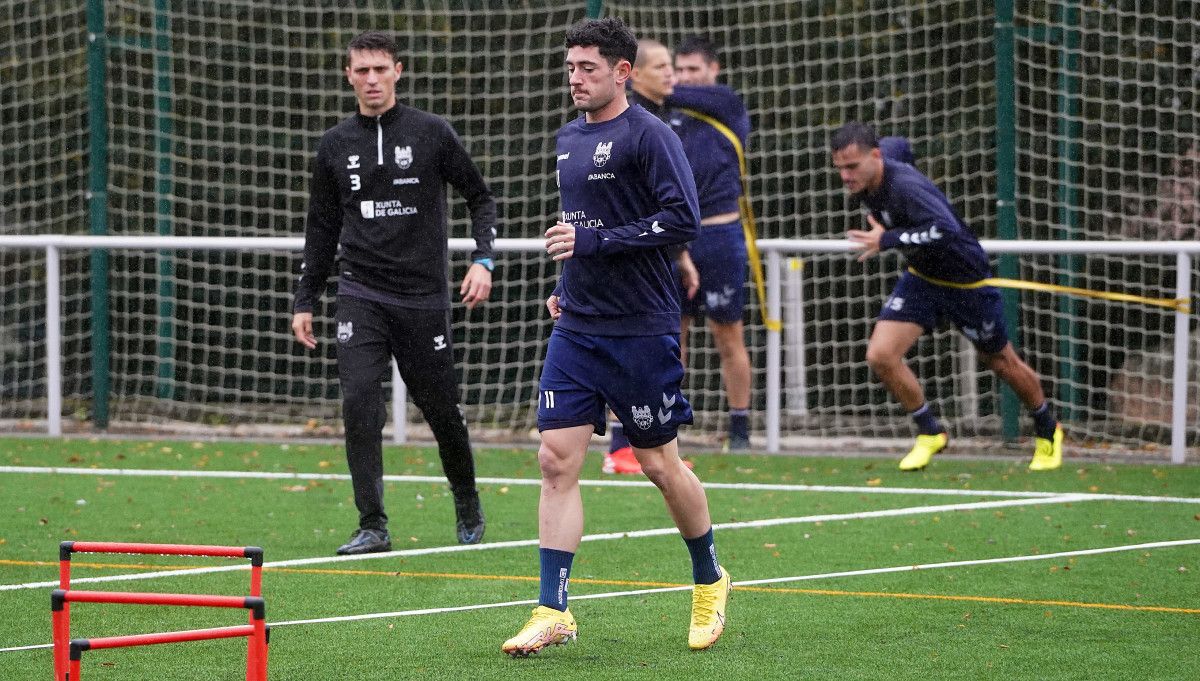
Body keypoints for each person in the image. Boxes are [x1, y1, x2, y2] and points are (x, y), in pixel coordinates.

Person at [501, 17, 731, 657]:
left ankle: (709, 578)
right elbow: (582, 228)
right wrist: (571, 282)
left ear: (621, 72)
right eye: (570, 67)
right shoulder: (567, 138)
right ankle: (553, 609)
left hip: (641, 328)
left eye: (587, 68)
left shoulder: (650, 136)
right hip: (577, 326)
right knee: (554, 460)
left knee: (659, 463)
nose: (574, 78)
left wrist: (594, 244)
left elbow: (681, 220)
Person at [292, 31, 493, 555]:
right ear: (348, 76)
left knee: (442, 410)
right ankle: (372, 524)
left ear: (398, 71)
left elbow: (480, 196)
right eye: (362, 70)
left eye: (381, 69)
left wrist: (483, 259)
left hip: (423, 296)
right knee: (359, 401)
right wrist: (305, 300)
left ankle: (467, 502)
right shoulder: (334, 144)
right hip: (360, 293)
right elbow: (321, 228)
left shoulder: (431, 133)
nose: (372, 79)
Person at [830, 122, 1063, 472]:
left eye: (852, 167)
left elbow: (945, 229)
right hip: (922, 278)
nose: (846, 176)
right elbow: (900, 144)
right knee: (881, 355)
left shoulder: (906, 188)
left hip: (966, 281)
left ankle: (1048, 428)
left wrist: (888, 240)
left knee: (1001, 362)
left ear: (875, 157)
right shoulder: (880, 163)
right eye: (839, 169)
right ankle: (930, 431)